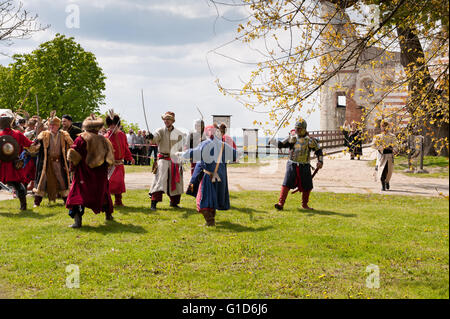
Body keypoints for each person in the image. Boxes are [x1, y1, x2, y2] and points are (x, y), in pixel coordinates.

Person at [180, 124, 239, 226]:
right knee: (214, 198)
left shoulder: (205, 144)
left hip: (209, 176)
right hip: (221, 177)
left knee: (203, 200)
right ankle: (211, 220)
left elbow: (192, 153)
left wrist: (181, 154)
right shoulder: (224, 145)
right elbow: (236, 155)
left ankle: (210, 222)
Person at [66, 114, 115, 228]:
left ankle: (77, 221)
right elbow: (109, 159)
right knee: (103, 193)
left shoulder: (81, 139)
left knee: (77, 195)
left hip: (83, 172)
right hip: (100, 174)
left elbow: (74, 155)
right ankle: (108, 215)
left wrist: (72, 167)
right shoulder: (104, 140)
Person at [269, 119, 323, 210]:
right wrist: (273, 141)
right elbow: (281, 144)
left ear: (304, 129)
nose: (297, 130)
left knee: (307, 185)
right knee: (286, 183)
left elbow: (319, 151)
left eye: (299, 128)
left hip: (305, 165)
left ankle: (304, 205)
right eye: (296, 128)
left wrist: (320, 161)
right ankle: (280, 203)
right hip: (292, 165)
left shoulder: (310, 141)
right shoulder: (292, 138)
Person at [32, 114, 73, 207]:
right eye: (50, 125)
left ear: (58, 126)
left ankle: (67, 201)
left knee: (62, 180)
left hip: (60, 162)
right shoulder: (44, 134)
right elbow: (36, 144)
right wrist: (34, 143)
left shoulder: (64, 135)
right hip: (46, 162)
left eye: (54, 125)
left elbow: (72, 145)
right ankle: (37, 202)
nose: (51, 127)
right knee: (42, 180)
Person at [148, 111, 185, 211]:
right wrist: (151, 137)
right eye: (165, 119)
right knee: (160, 181)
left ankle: (174, 202)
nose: (166, 121)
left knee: (176, 182)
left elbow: (180, 147)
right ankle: (153, 204)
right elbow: (154, 138)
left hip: (175, 159)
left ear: (172, 121)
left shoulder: (178, 133)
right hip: (163, 159)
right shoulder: (160, 130)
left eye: (168, 119)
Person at [0, 111, 33, 210]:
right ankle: (23, 206)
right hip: (13, 163)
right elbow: (29, 144)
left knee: (17, 184)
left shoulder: (1, 134)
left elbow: (29, 144)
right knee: (18, 184)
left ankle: (23, 206)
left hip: (3, 163)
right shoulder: (17, 134)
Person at [104, 114, 135, 207]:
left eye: (114, 124)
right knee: (110, 183)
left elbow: (125, 148)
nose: (113, 126)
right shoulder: (106, 137)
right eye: (111, 124)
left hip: (120, 164)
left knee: (119, 183)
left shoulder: (122, 135)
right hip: (109, 164)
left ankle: (118, 201)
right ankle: (106, 201)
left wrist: (130, 158)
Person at [372, 121, 398, 191]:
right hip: (381, 156)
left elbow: (396, 145)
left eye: (385, 126)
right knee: (381, 170)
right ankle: (383, 184)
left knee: (388, 170)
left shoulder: (392, 136)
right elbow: (374, 145)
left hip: (389, 156)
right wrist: (381, 147)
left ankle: (387, 181)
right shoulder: (378, 136)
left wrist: (393, 149)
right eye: (382, 126)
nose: (384, 128)